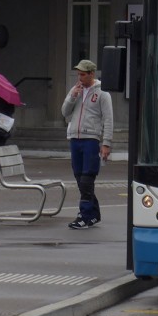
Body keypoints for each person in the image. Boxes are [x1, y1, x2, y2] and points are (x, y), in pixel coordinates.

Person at [60, 59, 113, 230]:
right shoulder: (76, 90)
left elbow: (108, 119)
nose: (80, 77)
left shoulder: (102, 94)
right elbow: (64, 112)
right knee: (79, 177)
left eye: (83, 74)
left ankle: (84, 215)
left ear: (91, 74)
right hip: (75, 137)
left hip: (91, 138)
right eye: (78, 74)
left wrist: (106, 143)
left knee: (87, 178)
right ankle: (93, 213)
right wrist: (72, 96)